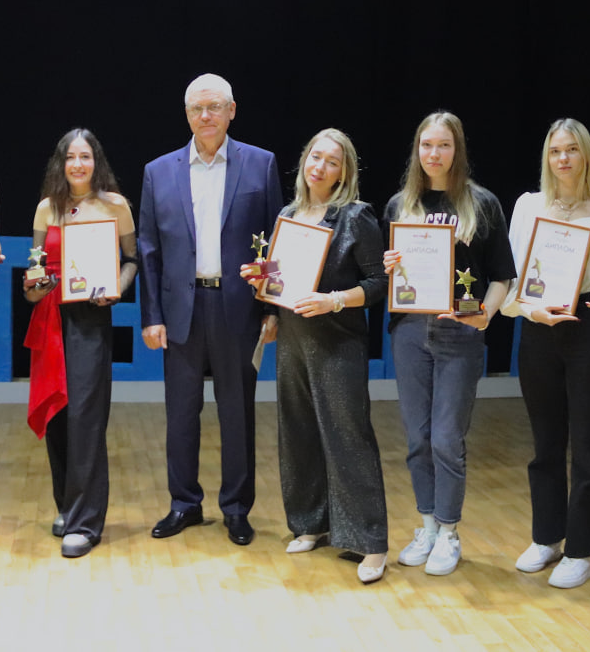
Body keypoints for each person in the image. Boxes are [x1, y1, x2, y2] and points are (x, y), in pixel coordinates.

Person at [138, 73, 283, 547]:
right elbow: (149, 251)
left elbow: (274, 245)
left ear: (232, 111)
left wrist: (273, 308)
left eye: (215, 107)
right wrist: (151, 315)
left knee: (237, 412)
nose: (206, 116)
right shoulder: (158, 171)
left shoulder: (260, 165)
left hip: (238, 307)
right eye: (198, 109)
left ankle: (237, 509)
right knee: (181, 413)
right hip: (180, 307)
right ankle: (184, 503)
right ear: (186, 115)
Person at [242, 129, 390, 583]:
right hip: (291, 338)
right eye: (315, 157)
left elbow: (378, 284)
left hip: (337, 340)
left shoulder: (356, 216)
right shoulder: (288, 214)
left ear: (344, 171)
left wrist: (335, 300)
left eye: (331, 161)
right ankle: (310, 523)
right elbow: (283, 278)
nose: (320, 167)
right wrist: (263, 287)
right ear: (304, 161)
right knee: (298, 431)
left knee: (348, 437)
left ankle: (371, 543)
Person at [501, 118, 590, 589]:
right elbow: (515, 278)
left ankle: (582, 550)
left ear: (586, 156)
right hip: (539, 329)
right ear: (547, 157)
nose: (563, 158)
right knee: (544, 445)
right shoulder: (528, 205)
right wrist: (531, 313)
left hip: (588, 332)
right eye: (556, 150)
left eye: (572, 150)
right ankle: (547, 537)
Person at [382, 111, 517, 576]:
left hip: (460, 333)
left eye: (442, 145)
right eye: (426, 146)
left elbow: (503, 276)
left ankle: (449, 531)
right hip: (410, 332)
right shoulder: (401, 205)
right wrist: (388, 264)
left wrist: (486, 315)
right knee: (417, 438)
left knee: (445, 438)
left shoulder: (482, 204)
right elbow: (390, 276)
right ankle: (425, 526)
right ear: (416, 151)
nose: (433, 154)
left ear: (456, 149)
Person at [23, 129, 138, 558]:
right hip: (51, 316)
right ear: (60, 163)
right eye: (70, 157)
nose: (77, 164)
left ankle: (86, 523)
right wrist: (34, 286)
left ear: (96, 162)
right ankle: (68, 505)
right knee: (58, 415)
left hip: (91, 317)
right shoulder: (45, 209)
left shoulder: (115, 206)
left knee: (87, 417)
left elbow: (131, 260)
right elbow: (34, 273)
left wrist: (118, 288)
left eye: (85, 156)